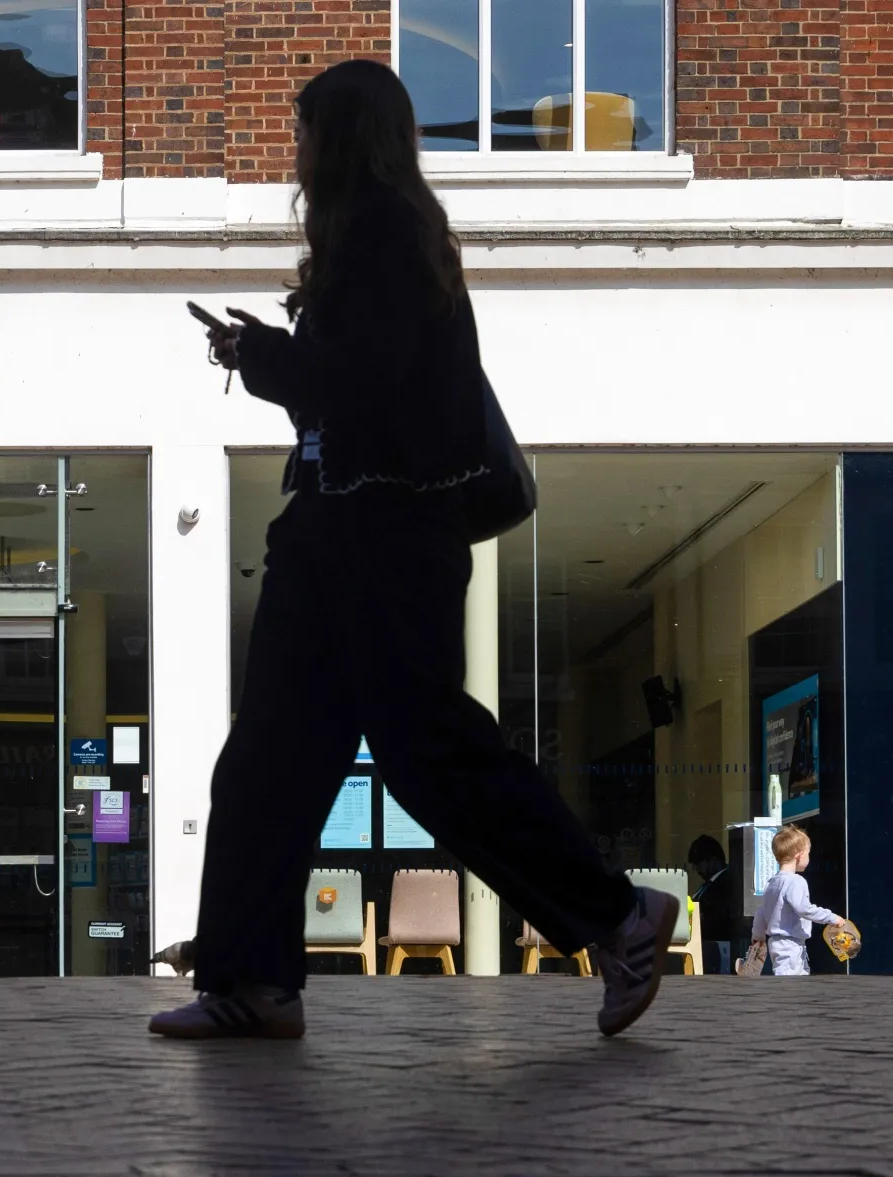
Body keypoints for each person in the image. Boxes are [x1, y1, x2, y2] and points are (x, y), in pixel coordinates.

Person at [147, 58, 678, 1042]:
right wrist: (275, 353)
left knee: (421, 751)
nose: (292, 153)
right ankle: (251, 978)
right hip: (334, 533)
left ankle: (615, 912)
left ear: (339, 138)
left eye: (302, 131)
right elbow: (353, 385)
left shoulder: (385, 236)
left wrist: (261, 355)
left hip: (379, 537)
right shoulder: (372, 239)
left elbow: (353, 384)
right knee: (274, 758)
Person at [750, 825, 842, 976]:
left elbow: (761, 912)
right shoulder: (796, 881)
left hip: (778, 942)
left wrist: (758, 937)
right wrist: (832, 918)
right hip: (790, 944)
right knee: (788, 987)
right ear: (799, 855)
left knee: (795, 982)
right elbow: (804, 909)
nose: (809, 858)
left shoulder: (771, 883)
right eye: (808, 853)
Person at [687, 833, 739, 977]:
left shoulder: (724, 884)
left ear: (713, 861)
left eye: (699, 864)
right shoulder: (708, 885)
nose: (697, 870)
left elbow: (719, 916)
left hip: (716, 947)